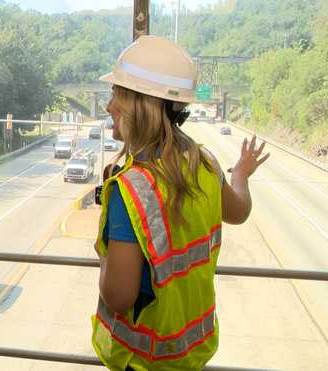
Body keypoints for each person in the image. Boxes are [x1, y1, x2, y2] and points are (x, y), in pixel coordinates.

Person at [90, 35, 269, 371]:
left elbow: (118, 296)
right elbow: (239, 212)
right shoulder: (204, 164)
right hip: (191, 353)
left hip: (142, 360)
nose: (109, 106)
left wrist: (104, 250)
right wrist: (241, 174)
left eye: (116, 93)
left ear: (136, 105)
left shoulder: (131, 189)